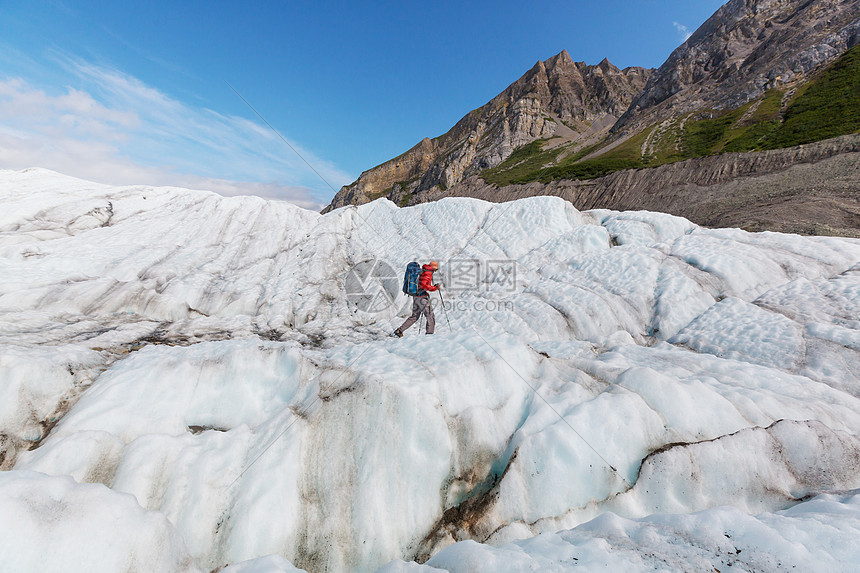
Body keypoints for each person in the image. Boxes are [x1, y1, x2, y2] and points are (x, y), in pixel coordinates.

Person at [394, 261, 439, 336]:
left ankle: (400, 330)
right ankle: (430, 335)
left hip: (416, 297)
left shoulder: (423, 271)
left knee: (415, 316)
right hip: (422, 298)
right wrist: (435, 288)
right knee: (430, 316)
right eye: (436, 269)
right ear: (433, 268)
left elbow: (421, 284)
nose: (435, 271)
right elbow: (424, 285)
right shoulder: (428, 273)